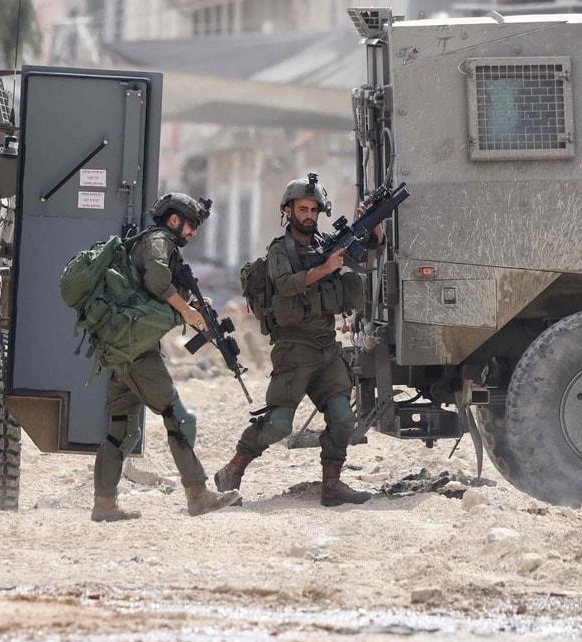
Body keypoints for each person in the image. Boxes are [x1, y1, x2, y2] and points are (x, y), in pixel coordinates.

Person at [215, 173, 382, 507]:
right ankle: (232, 470)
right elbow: (285, 284)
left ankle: (331, 487)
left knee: (343, 418)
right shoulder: (280, 251)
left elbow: (366, 257)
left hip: (325, 347)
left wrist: (373, 228)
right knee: (278, 424)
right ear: (288, 211)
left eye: (313, 210)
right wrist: (323, 270)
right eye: (302, 209)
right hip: (293, 349)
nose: (308, 215)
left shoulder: (327, 245)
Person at [91, 192, 241, 522]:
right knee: (177, 416)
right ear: (174, 220)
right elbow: (157, 279)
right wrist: (187, 311)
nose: (193, 233)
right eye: (191, 226)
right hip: (137, 350)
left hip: (123, 348)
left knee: (121, 428)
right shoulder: (159, 240)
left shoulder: (153, 242)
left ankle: (104, 505)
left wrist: (192, 308)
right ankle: (197, 495)